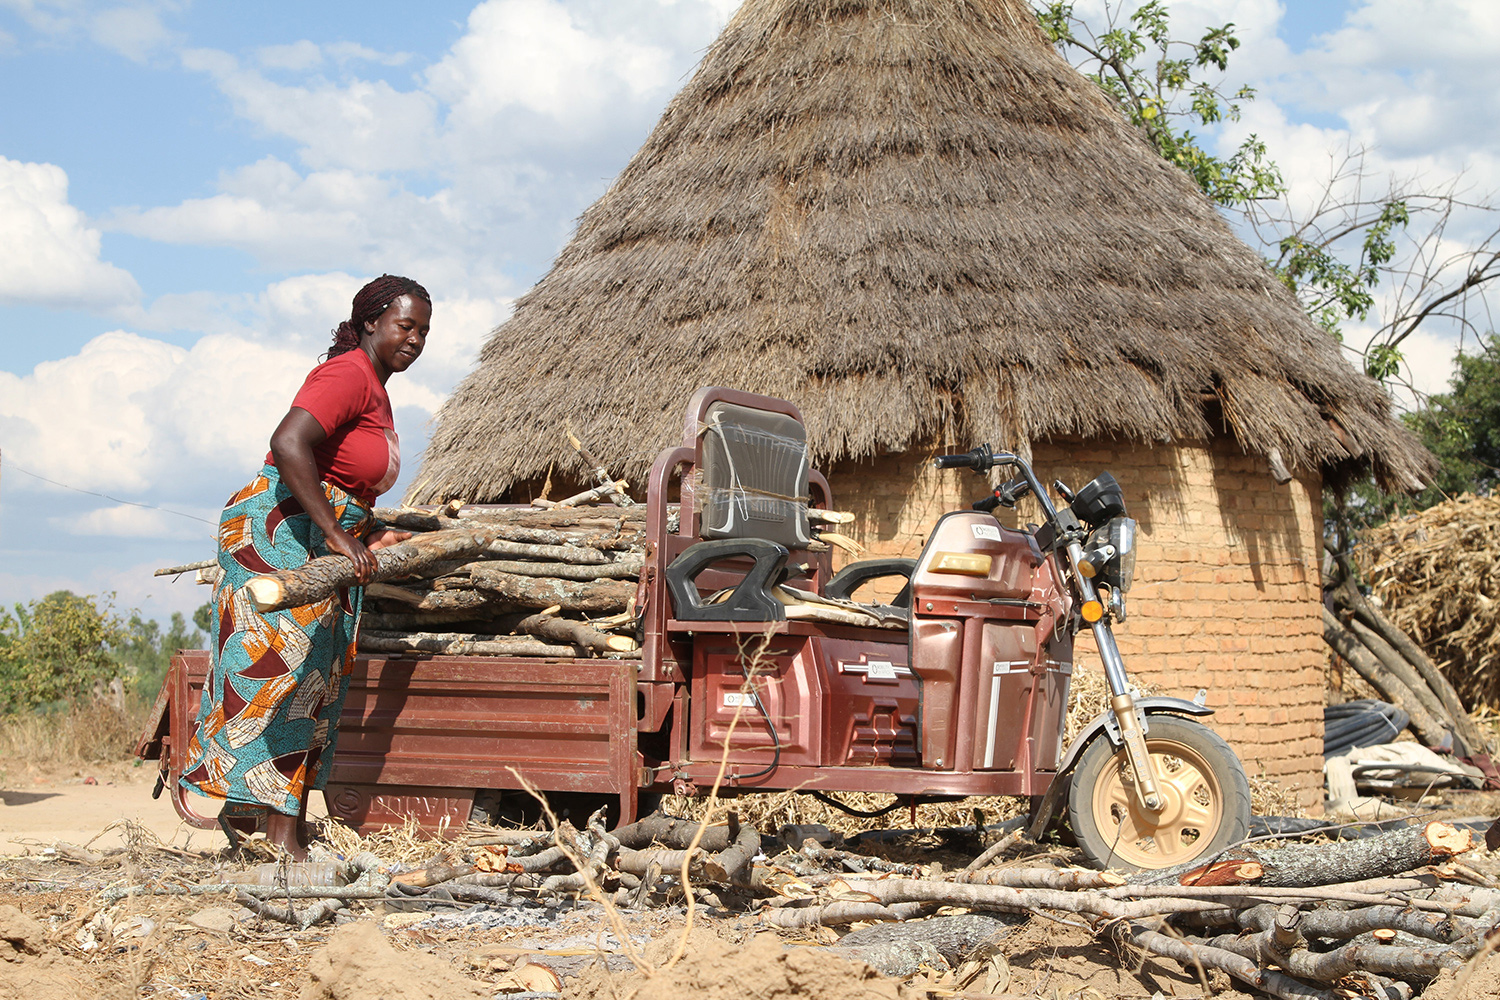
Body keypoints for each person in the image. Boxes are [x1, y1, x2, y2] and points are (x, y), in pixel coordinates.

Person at [180, 274, 431, 858]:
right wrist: (336, 532)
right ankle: (280, 836)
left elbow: (343, 478)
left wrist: (365, 529)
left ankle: (254, 825)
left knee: (317, 679)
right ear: (371, 322)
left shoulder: (374, 384)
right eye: (405, 325)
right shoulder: (346, 373)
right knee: (280, 675)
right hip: (276, 534)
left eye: (423, 331)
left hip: (313, 535)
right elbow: (289, 442)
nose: (415, 339)